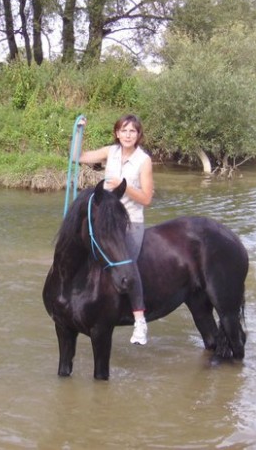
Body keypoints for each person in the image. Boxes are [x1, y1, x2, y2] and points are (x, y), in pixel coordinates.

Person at [76, 114, 154, 345]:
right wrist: (80, 132)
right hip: (107, 220)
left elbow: (147, 198)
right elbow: (76, 157)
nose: (128, 135)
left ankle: (139, 320)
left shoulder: (143, 160)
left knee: (126, 264)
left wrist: (124, 186)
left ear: (138, 135)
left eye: (132, 131)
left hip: (131, 221)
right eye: (124, 130)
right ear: (117, 133)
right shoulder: (110, 152)